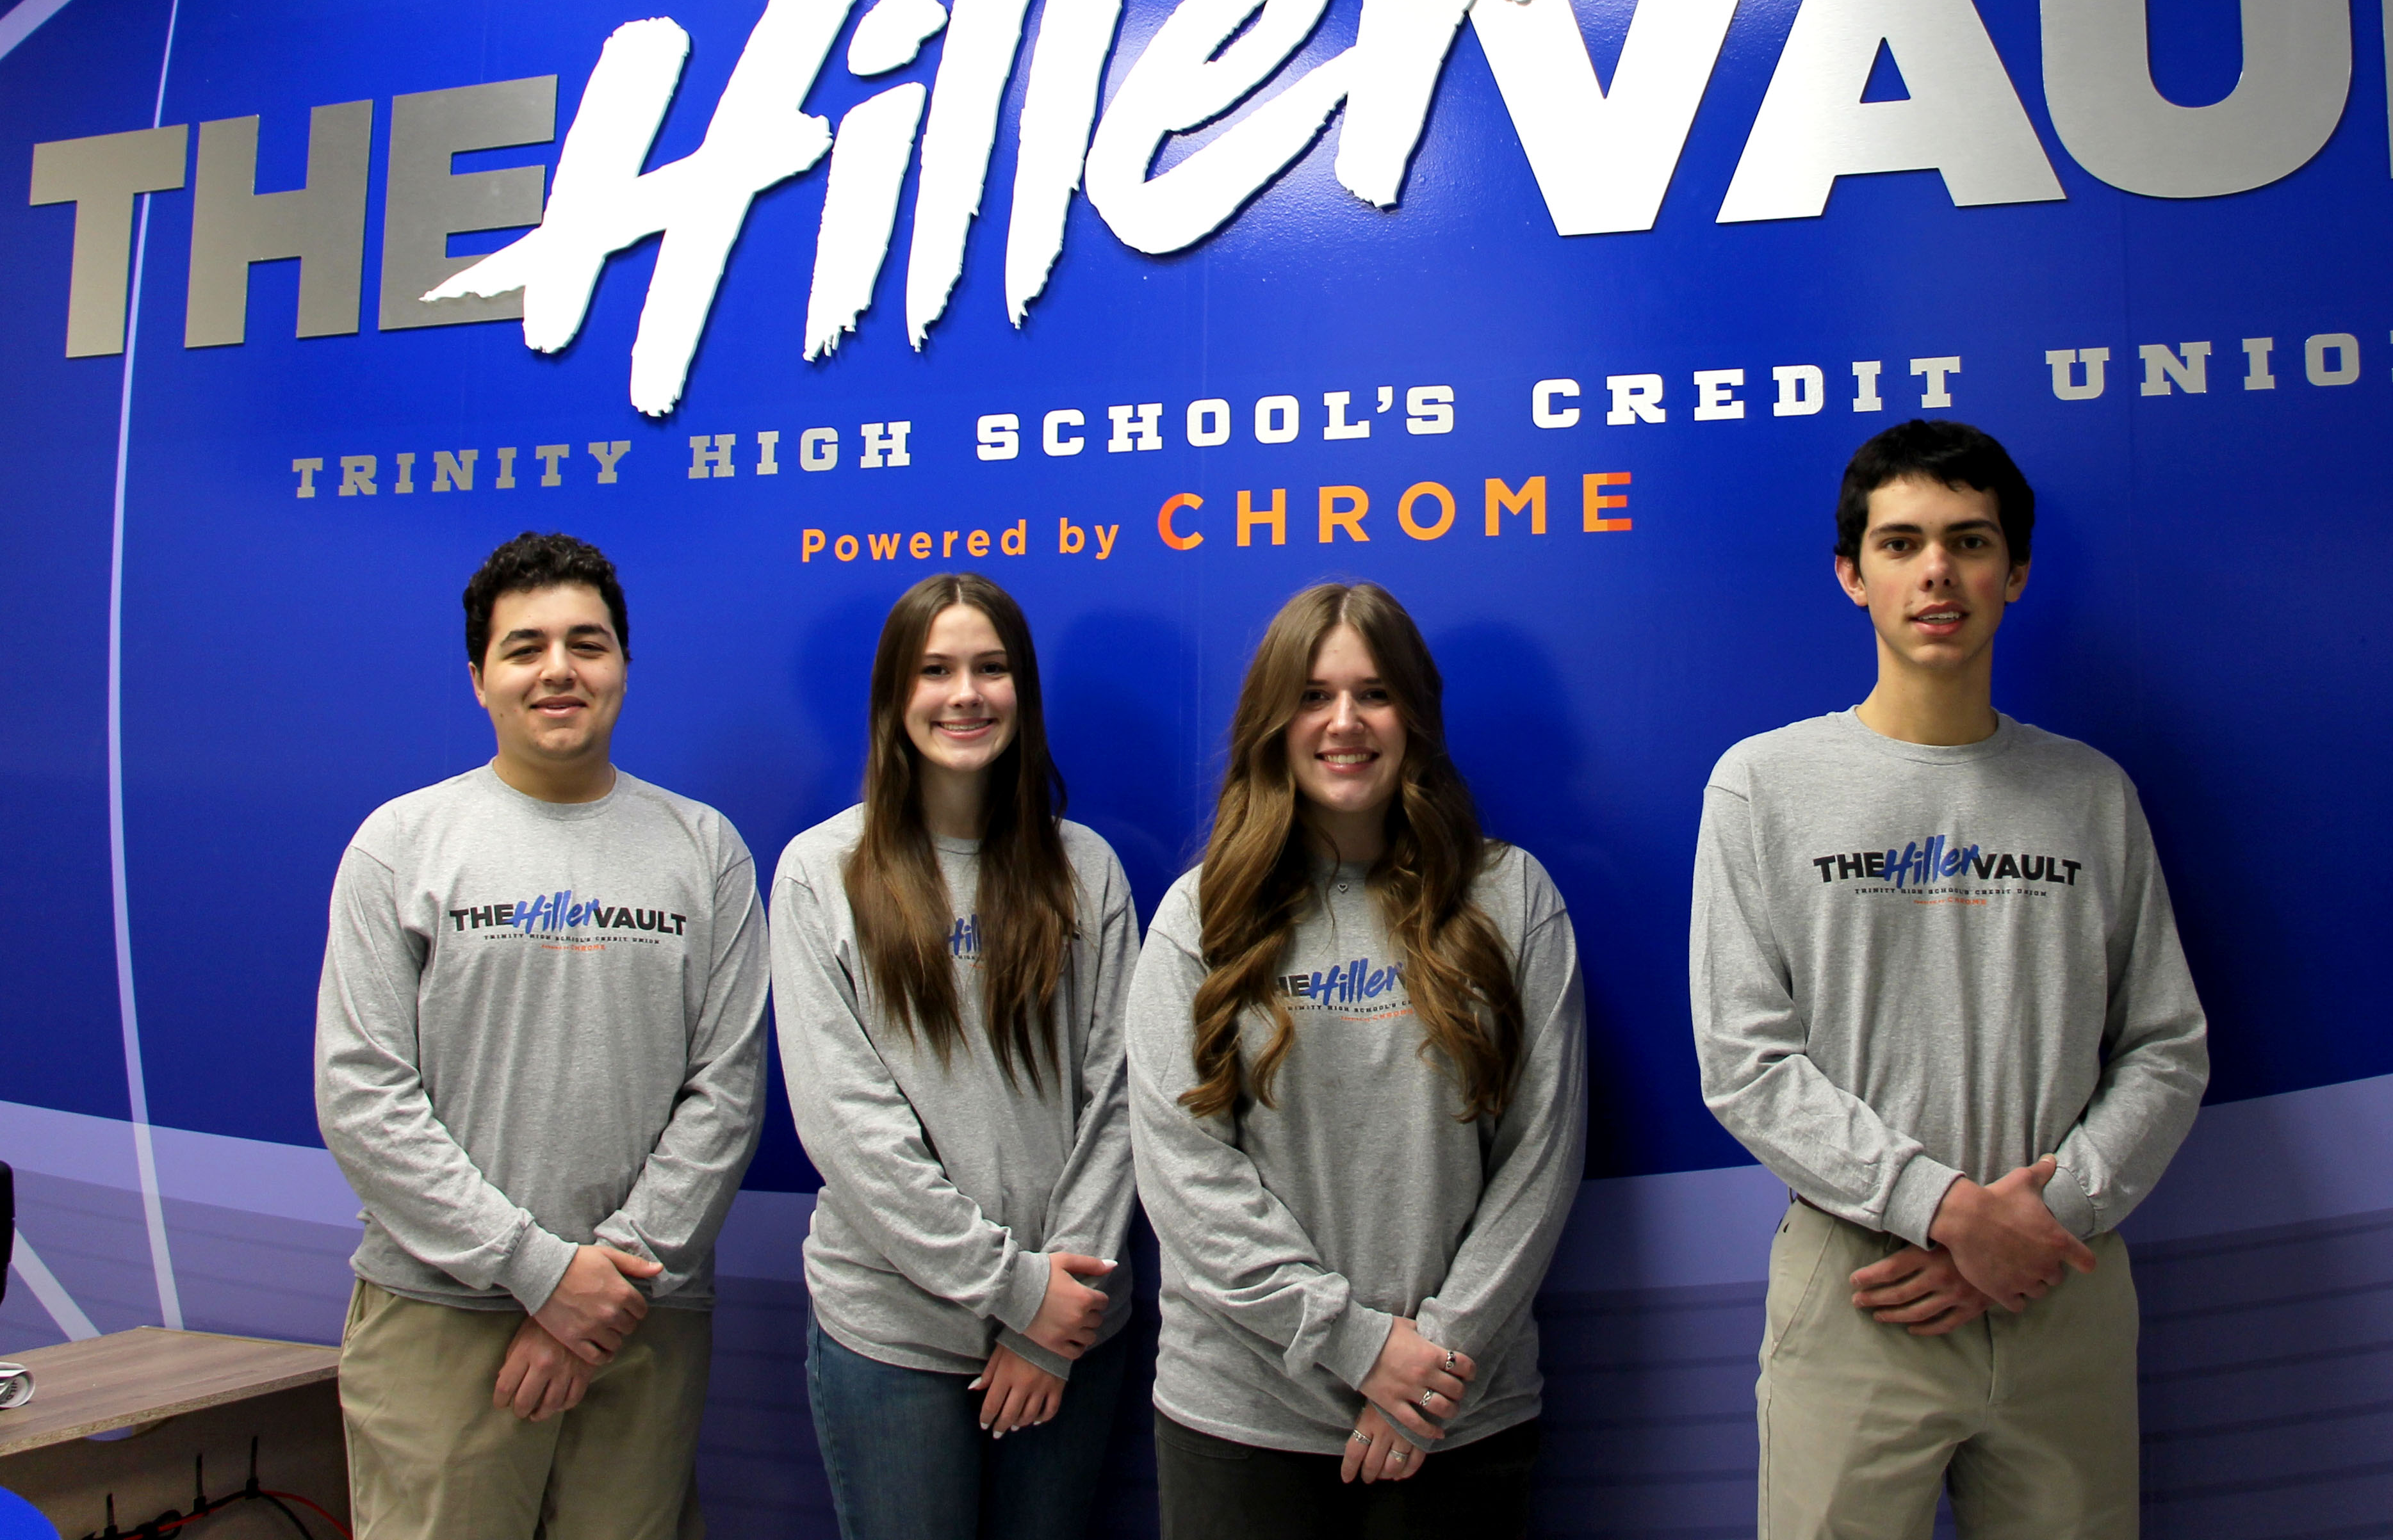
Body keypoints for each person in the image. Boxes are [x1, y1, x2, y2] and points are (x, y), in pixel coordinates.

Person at [1691, 421, 2209, 1540]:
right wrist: (1943, 1211)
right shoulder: (1762, 784)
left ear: (2013, 573)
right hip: (1860, 1287)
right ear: (1852, 573)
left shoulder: (2089, 794)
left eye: (1969, 541)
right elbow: (1745, 1061)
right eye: (1900, 542)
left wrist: (2033, 1223)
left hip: (2057, 1285)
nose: (1936, 571)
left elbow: (2166, 1050)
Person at [315, 531, 769, 1540]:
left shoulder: (706, 850)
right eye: (525, 648)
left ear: (623, 666)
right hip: (442, 1317)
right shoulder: (401, 845)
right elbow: (362, 1093)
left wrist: (598, 1286)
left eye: (587, 642)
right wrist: (538, 1272)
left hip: (641, 1320)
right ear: (478, 677)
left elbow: (727, 1092)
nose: (558, 669)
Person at [1128, 583, 1586, 1539]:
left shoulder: (1511, 898)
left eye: (1373, 693)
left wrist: (1433, 1359)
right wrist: (1360, 1347)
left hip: (1456, 1414)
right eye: (1312, 694)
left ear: (1415, 716)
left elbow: (1539, 1158)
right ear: (1272, 720)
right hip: (1243, 1418)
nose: (1344, 721)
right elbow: (1185, 1174)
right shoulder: (1198, 915)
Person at [771, 574, 1138, 1540]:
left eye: (991, 667)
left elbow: (1121, 1098)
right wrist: (1012, 1288)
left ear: (1023, 690)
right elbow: (848, 1124)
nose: (964, 693)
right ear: (895, 696)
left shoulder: (1087, 869)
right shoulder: (819, 873)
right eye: (934, 670)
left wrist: (1052, 1312)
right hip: (891, 1334)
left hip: (1069, 1328)